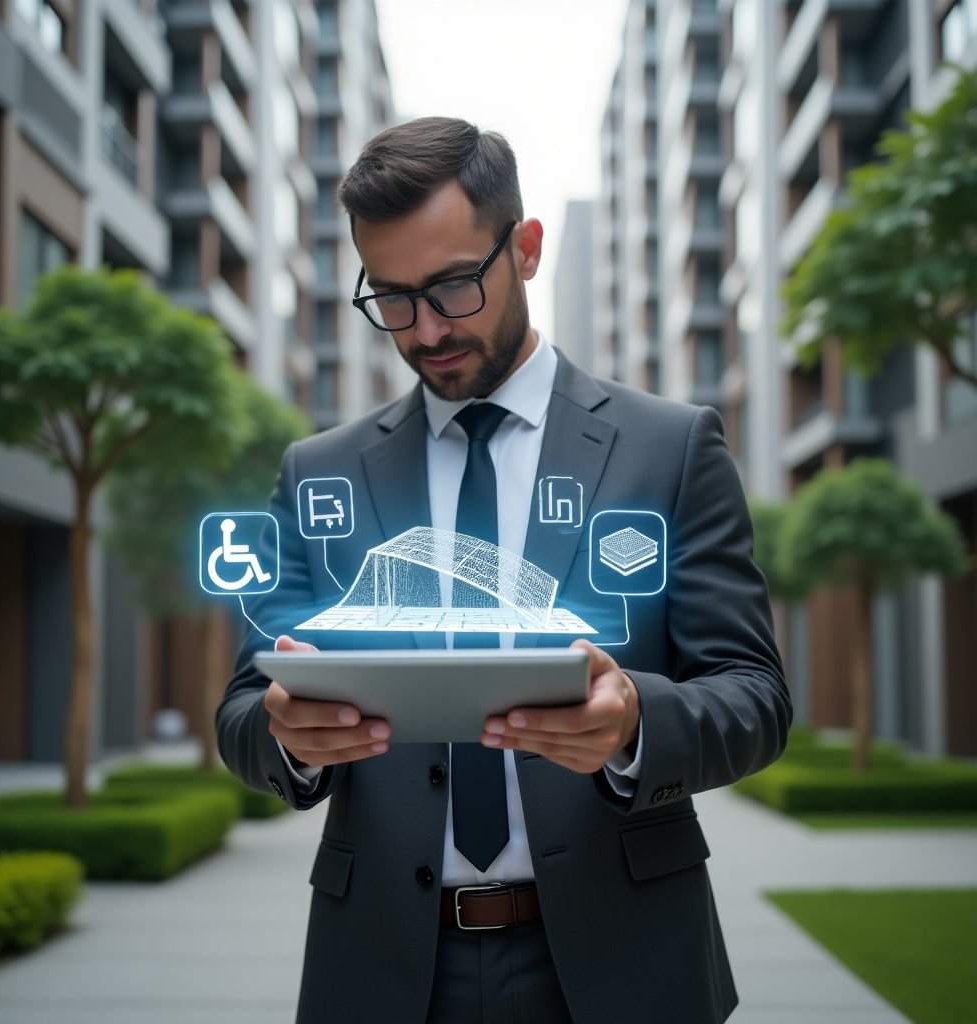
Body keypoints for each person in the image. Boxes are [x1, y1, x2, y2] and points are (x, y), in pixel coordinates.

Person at [216, 116, 790, 1024]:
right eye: (392, 299)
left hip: (624, 959)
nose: (427, 330)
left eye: (451, 286)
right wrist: (290, 741)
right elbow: (244, 710)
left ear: (524, 249)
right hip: (384, 968)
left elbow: (755, 697)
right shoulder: (319, 473)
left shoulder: (670, 448)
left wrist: (639, 723)